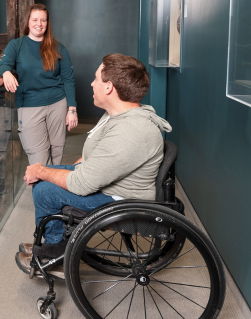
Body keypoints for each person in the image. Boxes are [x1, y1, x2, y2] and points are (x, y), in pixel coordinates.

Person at [15, 53, 172, 278]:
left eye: (96, 79)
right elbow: (94, 158)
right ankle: (53, 243)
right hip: (111, 185)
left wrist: (41, 170)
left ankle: (54, 257)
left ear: (108, 87)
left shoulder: (130, 131)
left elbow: (82, 184)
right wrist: (55, 171)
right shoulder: (117, 115)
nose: (92, 83)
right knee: (49, 177)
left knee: (45, 190)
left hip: (121, 200)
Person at [0, 3, 78, 167]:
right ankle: (41, 191)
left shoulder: (58, 47)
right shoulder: (16, 45)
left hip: (57, 104)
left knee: (56, 151)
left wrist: (72, 110)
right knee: (39, 158)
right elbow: (3, 64)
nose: (39, 24)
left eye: (43, 20)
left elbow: (68, 80)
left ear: (47, 23)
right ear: (28, 22)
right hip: (29, 106)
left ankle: (51, 191)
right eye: (35, 19)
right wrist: (6, 73)